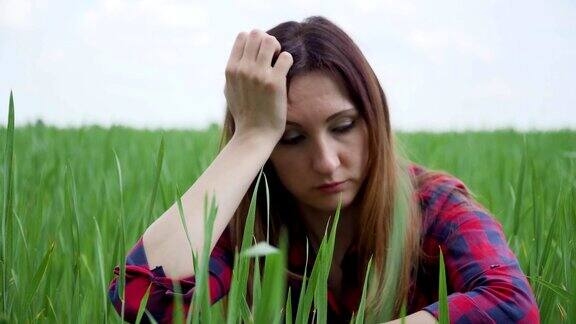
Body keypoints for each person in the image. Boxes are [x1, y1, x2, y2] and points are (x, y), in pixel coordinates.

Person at [107, 16, 540, 323]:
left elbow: (512, 305)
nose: (327, 162)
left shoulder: (432, 206)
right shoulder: (257, 221)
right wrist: (250, 137)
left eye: (344, 127)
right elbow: (141, 303)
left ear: (374, 119)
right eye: (291, 138)